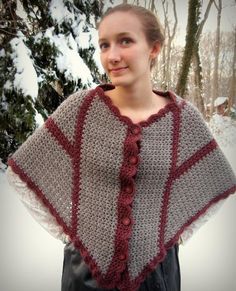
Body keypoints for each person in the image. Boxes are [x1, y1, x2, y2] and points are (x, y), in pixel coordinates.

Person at [6, 4, 236, 291]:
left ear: (154, 48)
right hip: (86, 274)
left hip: (157, 275)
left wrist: (174, 229)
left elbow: (216, 180)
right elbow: (24, 170)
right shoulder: (81, 110)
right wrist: (74, 230)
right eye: (104, 45)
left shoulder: (182, 120)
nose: (112, 56)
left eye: (125, 41)